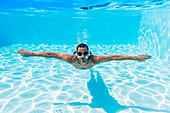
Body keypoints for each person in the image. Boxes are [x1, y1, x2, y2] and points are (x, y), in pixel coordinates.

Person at [17, 43, 151, 69]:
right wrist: (33, 54)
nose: (82, 56)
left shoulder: (95, 60)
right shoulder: (70, 59)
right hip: (78, 68)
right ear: (76, 53)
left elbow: (114, 57)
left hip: (90, 68)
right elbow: (52, 54)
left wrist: (135, 57)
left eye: (85, 53)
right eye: (80, 53)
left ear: (89, 53)